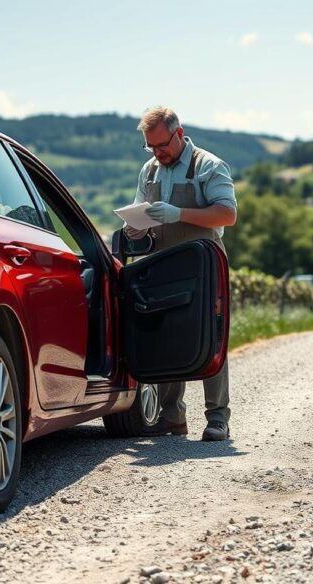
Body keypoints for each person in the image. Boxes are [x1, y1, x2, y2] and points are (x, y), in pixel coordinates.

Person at [123, 106, 237, 441]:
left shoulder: (209, 166)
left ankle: (218, 419)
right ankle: (172, 417)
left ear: (180, 134)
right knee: (167, 336)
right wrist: (135, 229)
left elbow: (227, 214)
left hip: (204, 265)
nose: (158, 153)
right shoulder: (148, 171)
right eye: (151, 147)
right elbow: (140, 210)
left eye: (162, 146)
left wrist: (179, 214)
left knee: (210, 337)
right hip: (164, 264)